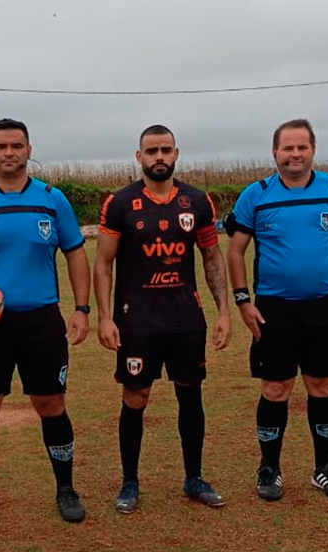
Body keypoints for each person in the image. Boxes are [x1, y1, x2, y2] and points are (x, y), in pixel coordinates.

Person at [0, 118, 91, 527]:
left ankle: (66, 488)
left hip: (41, 321)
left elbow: (76, 254)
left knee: (51, 404)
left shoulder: (52, 200)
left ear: (29, 150)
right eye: (1, 146)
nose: (9, 153)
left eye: (17, 145)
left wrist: (82, 308)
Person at [225, 118, 328, 501]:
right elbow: (236, 250)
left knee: (323, 386)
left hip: (326, 308)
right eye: (287, 148)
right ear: (274, 152)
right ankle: (269, 469)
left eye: (301, 147)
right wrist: (243, 300)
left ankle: (325, 467)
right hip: (273, 310)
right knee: (275, 388)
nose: (294, 154)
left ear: (313, 150)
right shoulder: (256, 194)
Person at [94, 125, 231, 514]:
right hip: (136, 320)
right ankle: (130, 482)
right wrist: (104, 317)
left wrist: (223, 311)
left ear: (176, 154)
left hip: (185, 319)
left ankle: (194, 478)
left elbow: (212, 258)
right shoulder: (120, 203)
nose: (159, 157)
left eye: (165, 150)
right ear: (139, 156)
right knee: (135, 397)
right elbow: (103, 264)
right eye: (151, 150)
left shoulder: (197, 201)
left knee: (190, 393)